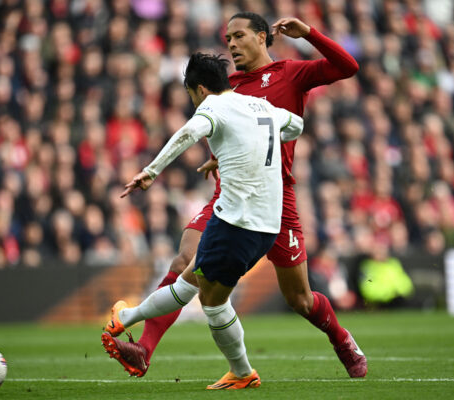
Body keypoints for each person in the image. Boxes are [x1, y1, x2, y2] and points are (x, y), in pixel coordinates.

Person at [102, 12, 367, 379]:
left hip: (277, 197)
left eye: (239, 36)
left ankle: (342, 341)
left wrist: (308, 33)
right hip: (229, 194)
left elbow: (348, 66)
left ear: (262, 37)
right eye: (227, 38)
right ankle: (144, 348)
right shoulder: (230, 86)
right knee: (185, 262)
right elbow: (227, 130)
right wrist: (216, 158)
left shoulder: (291, 73)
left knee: (300, 299)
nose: (231, 43)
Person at [103, 52, 304, 389]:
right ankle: (127, 320)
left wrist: (151, 171)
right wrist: (249, 145)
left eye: (190, 95)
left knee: (203, 295)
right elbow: (297, 124)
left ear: (198, 89)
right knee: (199, 288)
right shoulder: (261, 107)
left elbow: (188, 133)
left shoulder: (213, 107)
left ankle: (128, 319)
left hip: (235, 222)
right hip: (268, 226)